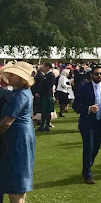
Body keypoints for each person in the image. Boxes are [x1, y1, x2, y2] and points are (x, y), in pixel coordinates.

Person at [0, 62, 37, 203]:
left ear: (22, 78)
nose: (9, 76)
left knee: (17, 181)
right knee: (17, 177)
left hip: (18, 138)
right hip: (18, 136)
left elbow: (7, 122)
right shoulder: (17, 92)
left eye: (13, 75)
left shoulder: (20, 95)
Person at [74, 65, 101, 184]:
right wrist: (88, 109)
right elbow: (76, 105)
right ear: (92, 75)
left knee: (96, 146)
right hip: (87, 123)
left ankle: (87, 166)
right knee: (88, 147)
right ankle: (88, 174)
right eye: (96, 74)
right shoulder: (84, 87)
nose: (99, 76)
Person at [36, 62, 55, 131]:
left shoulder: (51, 75)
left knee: (47, 112)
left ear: (47, 67)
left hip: (47, 95)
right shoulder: (46, 75)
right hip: (44, 95)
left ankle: (46, 126)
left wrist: (41, 93)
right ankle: (42, 126)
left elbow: (48, 86)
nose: (42, 67)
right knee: (43, 112)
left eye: (43, 66)